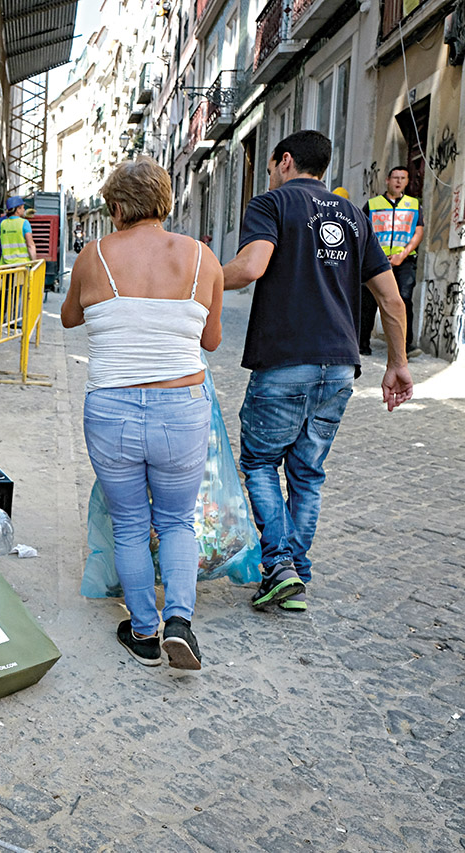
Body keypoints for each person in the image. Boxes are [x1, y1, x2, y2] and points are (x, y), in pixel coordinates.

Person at [222, 131, 413, 613]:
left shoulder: (270, 204)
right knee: (307, 474)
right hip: (340, 368)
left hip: (286, 360)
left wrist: (191, 275)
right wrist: (398, 364)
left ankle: (281, 566)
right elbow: (390, 298)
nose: (269, 175)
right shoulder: (354, 216)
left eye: (270, 167)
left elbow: (250, 267)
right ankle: (294, 577)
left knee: (261, 463)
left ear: (285, 161)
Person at [62, 157, 224, 670]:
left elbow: (68, 318)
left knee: (130, 524)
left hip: (112, 410)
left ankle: (144, 631)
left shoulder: (94, 256)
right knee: (177, 521)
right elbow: (211, 339)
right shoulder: (203, 258)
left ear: (114, 208)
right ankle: (179, 621)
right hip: (182, 408)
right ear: (166, 199)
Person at [359, 167, 424, 357]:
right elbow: (363, 230)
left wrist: (402, 255)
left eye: (402, 178)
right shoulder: (372, 204)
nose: (398, 181)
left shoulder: (413, 204)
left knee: (404, 299)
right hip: (375, 260)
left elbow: (418, 232)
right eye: (395, 178)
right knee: (368, 301)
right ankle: (362, 343)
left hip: (403, 260)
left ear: (407, 181)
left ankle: (405, 344)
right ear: (387, 180)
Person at [0, 196, 38, 265]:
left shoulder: (3, 224)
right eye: (23, 207)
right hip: (21, 266)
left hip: (5, 266)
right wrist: (34, 263)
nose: (24, 210)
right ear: (18, 209)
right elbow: (30, 245)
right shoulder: (24, 223)